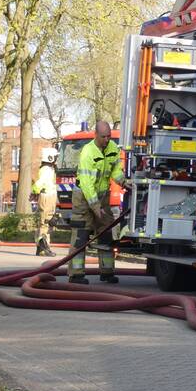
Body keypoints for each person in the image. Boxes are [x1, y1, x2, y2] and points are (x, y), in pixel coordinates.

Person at [68, 121, 122, 284]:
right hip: (84, 198)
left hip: (102, 196)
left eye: (109, 136)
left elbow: (116, 170)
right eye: (104, 137)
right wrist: (95, 206)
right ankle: (76, 274)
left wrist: (124, 182)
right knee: (81, 235)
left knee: (106, 232)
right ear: (96, 135)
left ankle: (107, 271)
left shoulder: (113, 148)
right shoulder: (88, 152)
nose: (107, 140)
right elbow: (86, 183)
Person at [32, 147, 58, 257]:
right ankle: (44, 247)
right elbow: (40, 183)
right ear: (50, 158)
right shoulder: (46, 169)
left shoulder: (48, 169)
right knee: (46, 223)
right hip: (47, 197)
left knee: (46, 222)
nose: (57, 158)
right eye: (55, 157)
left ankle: (40, 248)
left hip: (49, 196)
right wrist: (34, 191)